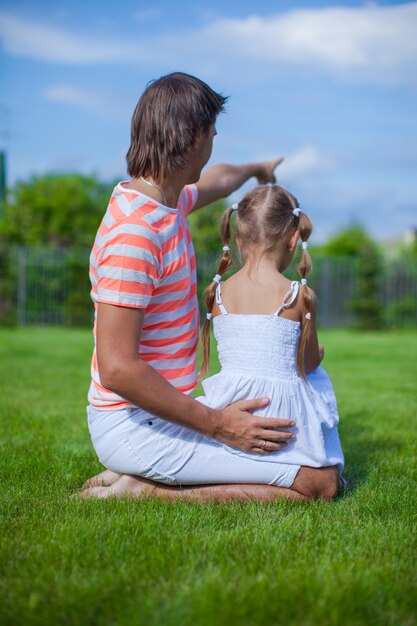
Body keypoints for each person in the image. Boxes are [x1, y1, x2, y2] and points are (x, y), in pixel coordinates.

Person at [80, 72, 341, 502]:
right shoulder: (136, 235)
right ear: (193, 136)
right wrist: (220, 425)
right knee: (318, 483)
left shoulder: (167, 202)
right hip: (133, 422)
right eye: (213, 133)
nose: (215, 142)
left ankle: (141, 470)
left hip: (159, 414)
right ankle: (143, 489)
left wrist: (255, 170)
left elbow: (218, 180)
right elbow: (117, 367)